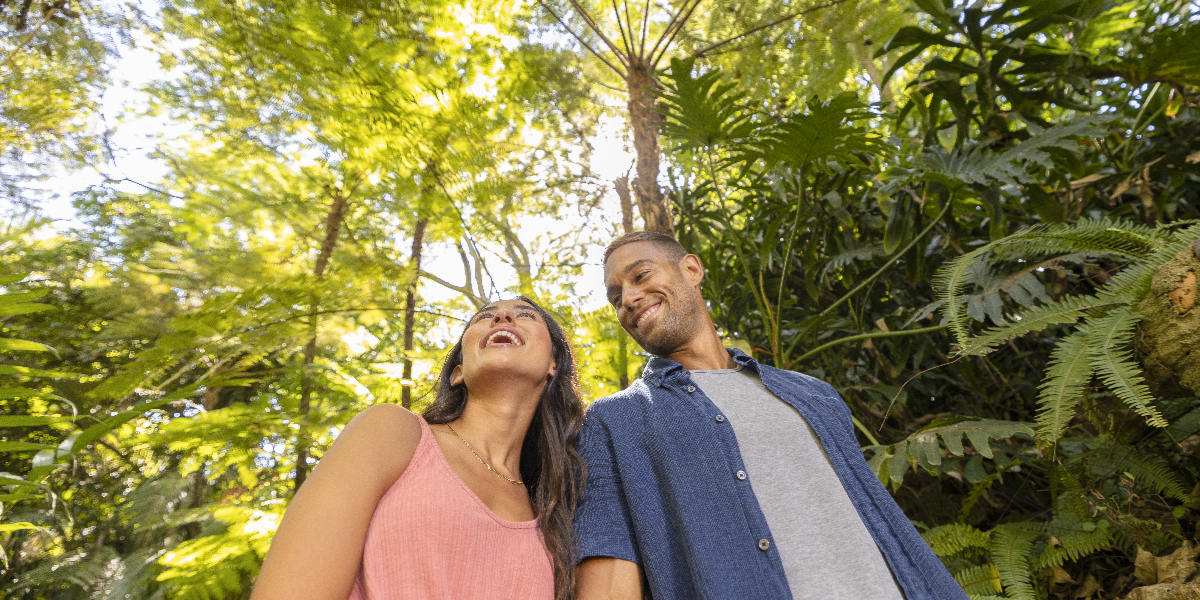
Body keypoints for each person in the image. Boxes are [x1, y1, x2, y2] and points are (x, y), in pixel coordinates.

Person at [574, 232, 966, 600]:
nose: (628, 298)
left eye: (641, 275)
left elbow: (874, 515)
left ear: (691, 269)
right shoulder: (614, 421)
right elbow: (608, 561)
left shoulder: (813, 393)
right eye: (615, 297)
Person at [252, 297, 585, 600]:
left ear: (553, 364)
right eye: (484, 318)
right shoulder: (391, 433)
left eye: (525, 315)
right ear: (458, 373)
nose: (502, 317)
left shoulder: (554, 516)